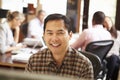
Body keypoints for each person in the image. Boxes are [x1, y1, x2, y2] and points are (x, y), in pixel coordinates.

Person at [25, 13, 94, 79]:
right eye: (50, 33)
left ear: (70, 35)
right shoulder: (34, 61)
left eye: (60, 33)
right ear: (44, 35)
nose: (54, 39)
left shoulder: (83, 65)